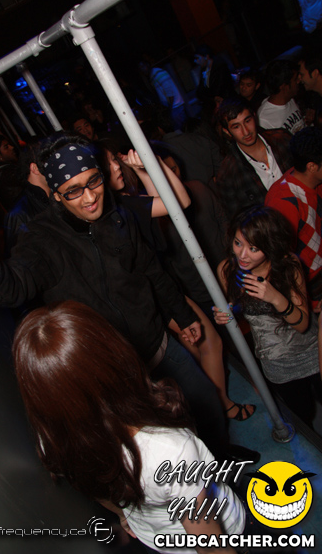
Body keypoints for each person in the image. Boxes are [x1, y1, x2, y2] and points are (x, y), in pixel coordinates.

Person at [0, 135, 237, 458]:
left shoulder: (120, 216)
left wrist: (183, 316)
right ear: (56, 195)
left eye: (94, 181)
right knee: (164, 438)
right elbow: (11, 288)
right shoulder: (41, 238)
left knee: (205, 405)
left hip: (159, 343)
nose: (89, 197)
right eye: (73, 190)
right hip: (116, 372)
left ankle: (222, 460)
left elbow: (151, 270)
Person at [13, 300, 246, 554]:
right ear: (115, 355)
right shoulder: (170, 450)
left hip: (155, 539)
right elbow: (213, 551)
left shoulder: (53, 438)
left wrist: (123, 514)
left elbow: (92, 484)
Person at [100, 144, 255, 421]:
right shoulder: (120, 207)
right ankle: (220, 406)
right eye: (108, 163)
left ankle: (214, 407)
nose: (116, 166)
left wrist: (145, 170)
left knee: (198, 348)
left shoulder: (121, 202)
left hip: (155, 288)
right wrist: (154, 163)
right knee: (209, 343)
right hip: (154, 291)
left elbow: (167, 202)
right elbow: (180, 201)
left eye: (115, 159)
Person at [213, 205, 321, 426]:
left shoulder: (288, 265)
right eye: (238, 243)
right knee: (302, 415)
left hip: (313, 351)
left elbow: (303, 324)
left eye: (253, 248)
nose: (242, 255)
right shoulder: (227, 270)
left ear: (270, 246)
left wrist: (275, 297)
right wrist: (227, 315)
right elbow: (239, 312)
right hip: (276, 360)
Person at [265, 127, 322, 304]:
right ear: (312, 166)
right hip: (313, 285)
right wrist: (307, 301)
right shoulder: (283, 201)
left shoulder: (315, 181)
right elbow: (280, 261)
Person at [216, 98, 292, 222]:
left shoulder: (283, 140)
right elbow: (239, 220)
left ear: (254, 117)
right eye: (236, 127)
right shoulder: (228, 175)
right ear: (227, 131)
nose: (246, 131)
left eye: (247, 121)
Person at [257, 60, 305, 135]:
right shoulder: (264, 119)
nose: (299, 81)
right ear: (284, 86)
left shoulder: (290, 99)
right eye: (295, 79)